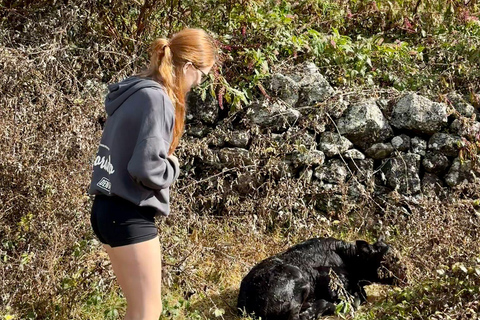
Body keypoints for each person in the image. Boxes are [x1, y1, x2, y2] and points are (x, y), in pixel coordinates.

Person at [88, 28, 217, 320]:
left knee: (137, 310)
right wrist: (173, 165)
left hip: (106, 208)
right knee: (147, 311)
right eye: (202, 75)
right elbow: (146, 167)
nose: (198, 83)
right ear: (187, 67)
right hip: (128, 212)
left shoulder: (135, 90)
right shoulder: (158, 99)